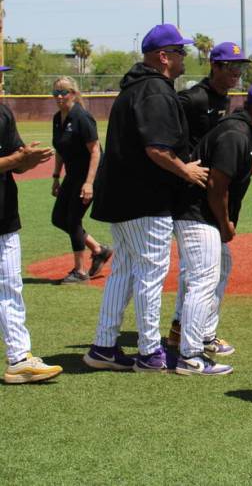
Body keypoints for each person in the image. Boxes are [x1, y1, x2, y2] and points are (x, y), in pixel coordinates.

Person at [83, 23, 209, 373]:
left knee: (123, 270)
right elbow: (157, 148)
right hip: (144, 198)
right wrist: (187, 171)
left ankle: (104, 346)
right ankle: (150, 351)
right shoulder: (154, 89)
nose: (186, 57)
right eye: (181, 52)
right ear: (163, 56)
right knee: (150, 273)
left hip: (122, 197)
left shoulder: (135, 87)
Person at [171, 80, 252, 376]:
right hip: (196, 213)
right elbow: (216, 186)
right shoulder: (236, 134)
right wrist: (225, 223)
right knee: (203, 278)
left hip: (200, 214)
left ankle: (203, 335)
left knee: (220, 265)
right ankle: (190, 355)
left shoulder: (244, 130)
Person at [167, 41, 252, 354]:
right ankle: (190, 339)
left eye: (240, 68)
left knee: (202, 268)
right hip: (190, 192)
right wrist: (182, 166)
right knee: (199, 270)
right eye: (231, 66)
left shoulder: (222, 98)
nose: (236, 73)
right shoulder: (193, 97)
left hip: (204, 193)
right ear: (214, 66)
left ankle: (183, 328)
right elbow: (168, 131)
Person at [0, 65, 63, 385]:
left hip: (4, 215)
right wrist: (15, 161)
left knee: (10, 287)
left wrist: (26, 159)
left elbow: (15, 160)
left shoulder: (3, 113)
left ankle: (19, 359)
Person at [50, 76, 112, 284]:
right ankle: (99, 249)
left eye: (64, 92)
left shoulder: (81, 117)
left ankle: (80, 271)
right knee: (58, 218)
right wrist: (56, 177)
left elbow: (95, 151)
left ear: (73, 94)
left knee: (73, 219)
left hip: (89, 175)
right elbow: (60, 150)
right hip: (72, 175)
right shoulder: (57, 118)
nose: (59, 97)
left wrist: (89, 183)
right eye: (56, 93)